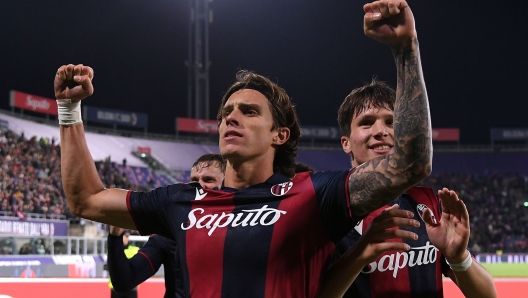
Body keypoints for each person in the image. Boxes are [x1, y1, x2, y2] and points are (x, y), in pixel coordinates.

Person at [55, 1, 432, 296]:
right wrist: (69, 110)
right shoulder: (179, 201)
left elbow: (409, 164)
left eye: (249, 112)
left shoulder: (313, 195)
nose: (230, 118)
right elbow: (85, 200)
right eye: (226, 113)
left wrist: (405, 49)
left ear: (279, 135)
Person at [320, 77, 496, 296]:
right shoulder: (325, 211)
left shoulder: (427, 205)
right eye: (367, 122)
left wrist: (458, 257)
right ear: (345, 142)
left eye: (391, 122)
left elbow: (488, 295)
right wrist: (359, 254)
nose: (380, 131)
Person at [107, 154, 226, 298]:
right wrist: (115, 236)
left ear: (227, 184)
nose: (199, 186)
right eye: (194, 181)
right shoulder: (169, 233)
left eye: (208, 180)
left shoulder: (244, 228)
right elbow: (124, 281)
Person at [108, 230, 140, 298]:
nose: (126, 238)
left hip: (131, 287)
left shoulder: (135, 250)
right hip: (116, 286)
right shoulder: (113, 251)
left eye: (127, 236)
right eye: (124, 236)